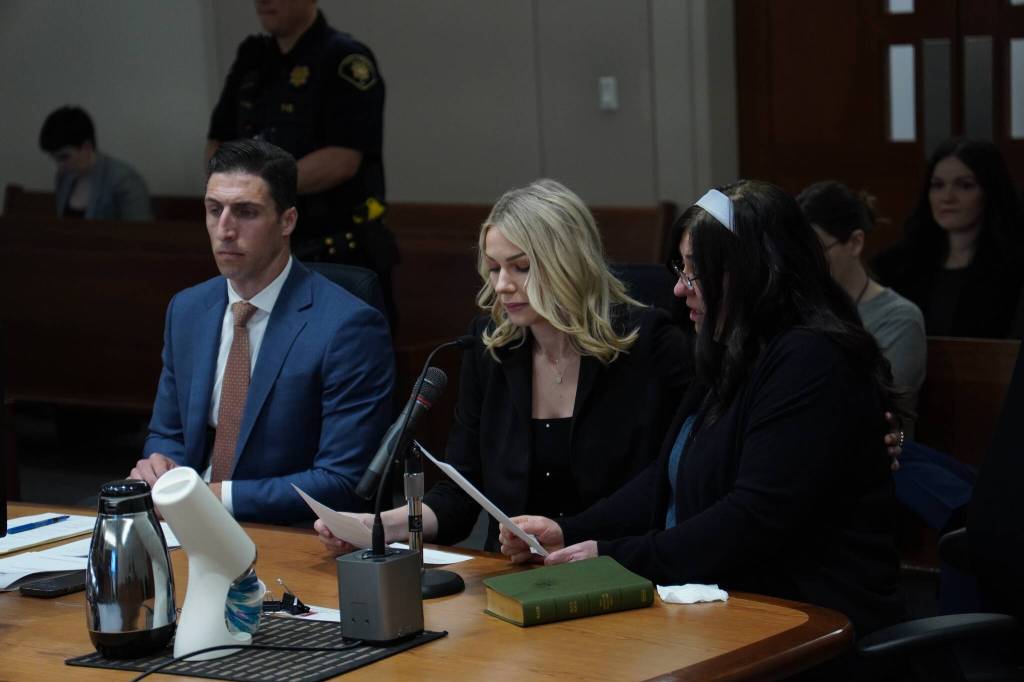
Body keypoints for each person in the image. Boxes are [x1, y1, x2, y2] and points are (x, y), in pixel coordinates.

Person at [501, 181, 906, 645]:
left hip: (809, 623)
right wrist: (568, 530)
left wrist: (613, 555)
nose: (678, 288)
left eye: (695, 272)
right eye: (682, 268)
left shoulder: (810, 359)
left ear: (751, 272)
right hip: (723, 605)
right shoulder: (732, 350)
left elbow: (753, 518)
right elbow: (665, 476)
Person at [314, 179, 690, 553]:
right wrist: (379, 526)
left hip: (624, 562)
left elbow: (670, 480)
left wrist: (566, 531)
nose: (503, 285)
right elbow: (460, 493)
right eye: (494, 269)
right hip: (518, 577)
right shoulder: (490, 348)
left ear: (570, 264)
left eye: (521, 267)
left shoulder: (650, 345)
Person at [130, 139, 394, 524]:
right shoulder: (187, 309)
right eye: (213, 210)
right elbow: (167, 433)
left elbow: (342, 480)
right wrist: (158, 466)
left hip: (288, 533)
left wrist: (214, 496)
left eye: (245, 212)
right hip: (184, 522)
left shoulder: (348, 327)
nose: (225, 230)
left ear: (287, 221)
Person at [207, 0, 398, 324]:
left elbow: (343, 159)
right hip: (263, 254)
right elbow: (218, 141)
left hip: (335, 254)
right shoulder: (252, 59)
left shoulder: (344, 59)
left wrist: (257, 190)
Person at [798, 181, 926, 437]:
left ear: (855, 242)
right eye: (801, 251)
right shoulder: (801, 309)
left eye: (817, 250)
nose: (806, 263)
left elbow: (876, 407)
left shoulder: (899, 317)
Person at [872, 137, 1024, 338]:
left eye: (965, 186)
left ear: (990, 192)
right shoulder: (897, 266)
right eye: (937, 185)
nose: (947, 197)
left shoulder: (1015, 267)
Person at [38, 106, 152, 221]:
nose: (59, 165)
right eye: (54, 159)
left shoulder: (125, 180)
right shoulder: (64, 177)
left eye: (64, 157)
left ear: (86, 147)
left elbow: (137, 233)